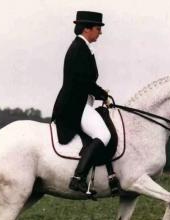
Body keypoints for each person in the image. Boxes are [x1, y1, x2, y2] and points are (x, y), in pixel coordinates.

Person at [52, 11, 111, 195]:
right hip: (74, 106)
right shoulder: (79, 48)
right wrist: (102, 94)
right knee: (103, 134)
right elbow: (82, 81)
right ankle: (78, 177)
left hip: (81, 103)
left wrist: (100, 94)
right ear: (86, 29)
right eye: (97, 28)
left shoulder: (82, 47)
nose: (100, 32)